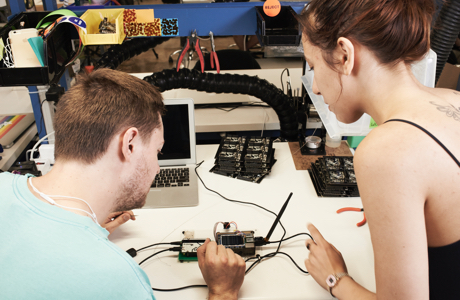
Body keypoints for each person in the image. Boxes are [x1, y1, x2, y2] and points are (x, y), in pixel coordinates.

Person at [0, 69, 245, 300]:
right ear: (130, 144)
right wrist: (223, 292)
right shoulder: (114, 279)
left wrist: (82, 231)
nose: (158, 168)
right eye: (157, 152)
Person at [298, 0, 460, 299]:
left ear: (345, 55)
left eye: (313, 66)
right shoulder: (453, 99)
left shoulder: (385, 152)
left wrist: (335, 279)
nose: (316, 87)